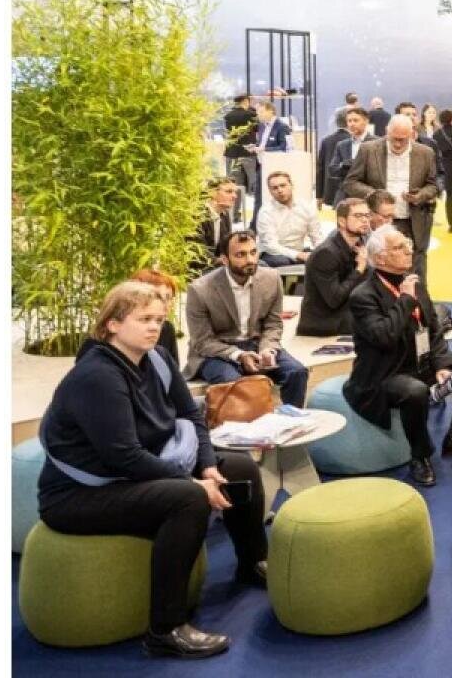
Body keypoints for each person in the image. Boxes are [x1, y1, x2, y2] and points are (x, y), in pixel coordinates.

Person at [36, 281, 267, 659]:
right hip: (80, 496)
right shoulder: (98, 376)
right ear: (111, 324)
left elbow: (191, 415)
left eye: (158, 319)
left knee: (239, 467)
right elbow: (123, 456)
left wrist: (207, 466)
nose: (153, 327)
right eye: (143, 319)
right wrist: (193, 482)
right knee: (187, 499)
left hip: (135, 471)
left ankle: (251, 562)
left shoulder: (156, 358)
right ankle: (165, 629)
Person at [343, 226, 452, 487]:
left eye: (408, 244)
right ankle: (420, 456)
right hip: (383, 375)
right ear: (379, 258)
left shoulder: (412, 282)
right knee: (415, 390)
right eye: (399, 247)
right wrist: (405, 301)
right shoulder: (363, 296)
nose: (408, 250)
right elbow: (384, 336)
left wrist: (443, 365)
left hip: (419, 362)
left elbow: (433, 330)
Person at [183, 232, 308, 408]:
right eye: (240, 255)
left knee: (297, 372)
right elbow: (202, 341)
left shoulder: (271, 279)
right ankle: (245, 432)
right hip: (216, 353)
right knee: (235, 382)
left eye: (253, 252)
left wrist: (268, 350)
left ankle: (292, 423)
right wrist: (239, 355)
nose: (250, 259)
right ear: (225, 260)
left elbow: (273, 324)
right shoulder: (200, 290)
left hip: (256, 344)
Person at [343, 114, 440, 278]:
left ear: (412, 134)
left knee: (416, 269)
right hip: (378, 222)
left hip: (413, 221)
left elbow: (433, 185)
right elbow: (350, 182)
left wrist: (420, 195)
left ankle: (417, 302)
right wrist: (375, 196)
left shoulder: (426, 153)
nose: (397, 143)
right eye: (394, 138)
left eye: (403, 139)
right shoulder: (368, 150)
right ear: (387, 131)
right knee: (379, 266)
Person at [297, 197, 373, 337]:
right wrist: (359, 270)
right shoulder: (326, 253)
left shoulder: (360, 244)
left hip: (346, 313)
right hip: (325, 322)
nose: (365, 220)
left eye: (367, 215)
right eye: (358, 216)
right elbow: (334, 299)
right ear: (342, 221)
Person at [254, 170, 330, 268]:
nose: (280, 190)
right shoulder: (266, 212)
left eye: (283, 185)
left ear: (291, 185)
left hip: (299, 251)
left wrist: (321, 253)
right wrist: (298, 255)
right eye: (275, 188)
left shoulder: (306, 207)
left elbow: (317, 237)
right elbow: (271, 245)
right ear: (270, 191)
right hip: (273, 254)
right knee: (282, 262)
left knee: (326, 259)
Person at [322, 107, 372, 207]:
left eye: (355, 120)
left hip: (368, 193)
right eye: (349, 121)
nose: (352, 124)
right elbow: (332, 169)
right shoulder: (342, 145)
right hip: (345, 195)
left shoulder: (376, 142)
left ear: (366, 121)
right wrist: (344, 165)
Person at [191, 176, 240, 275]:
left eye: (235, 192)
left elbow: (226, 245)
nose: (235, 196)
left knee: (259, 264)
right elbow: (197, 251)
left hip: (217, 265)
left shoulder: (224, 214)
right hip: (198, 268)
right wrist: (224, 261)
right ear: (212, 193)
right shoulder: (197, 214)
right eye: (229, 191)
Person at [130, 268, 183, 359]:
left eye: (169, 297)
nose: (166, 304)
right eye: (158, 297)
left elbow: (173, 370)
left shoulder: (167, 329)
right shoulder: (126, 328)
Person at [222, 95, 259, 220]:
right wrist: (253, 110)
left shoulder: (228, 116)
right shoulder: (250, 114)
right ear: (246, 101)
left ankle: (234, 215)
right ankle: (257, 215)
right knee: (255, 185)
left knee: (235, 187)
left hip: (232, 154)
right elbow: (257, 128)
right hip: (248, 154)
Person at [314, 111, 350, 211]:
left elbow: (320, 169)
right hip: (348, 190)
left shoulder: (326, 141)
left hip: (329, 189)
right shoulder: (352, 141)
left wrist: (319, 195)